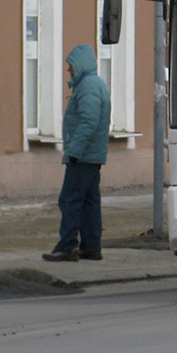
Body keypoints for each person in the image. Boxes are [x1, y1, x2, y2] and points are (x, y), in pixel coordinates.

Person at [43, 45, 112, 262]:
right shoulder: (93, 84)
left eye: (70, 65)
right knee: (89, 203)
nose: (68, 70)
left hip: (83, 156)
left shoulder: (88, 87)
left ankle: (67, 246)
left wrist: (75, 152)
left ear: (80, 64)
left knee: (70, 200)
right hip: (91, 156)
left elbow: (88, 122)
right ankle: (91, 247)